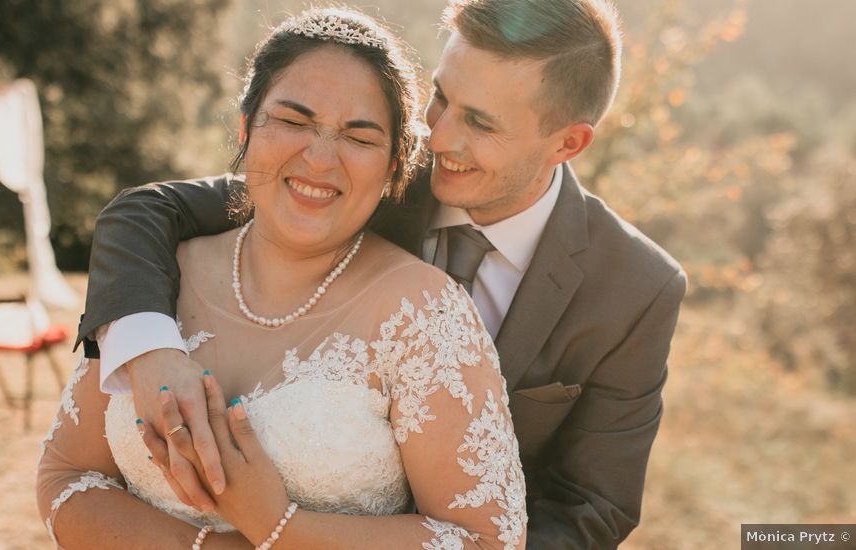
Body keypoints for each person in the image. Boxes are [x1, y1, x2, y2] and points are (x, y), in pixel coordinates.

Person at [77, 0, 687, 548]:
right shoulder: (366, 170)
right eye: (441, 96)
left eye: (480, 122)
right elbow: (149, 210)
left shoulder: (636, 288)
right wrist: (150, 347)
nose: (437, 134)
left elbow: (592, 509)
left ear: (567, 143)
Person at [37, 8, 528, 550]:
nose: (319, 158)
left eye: (359, 138)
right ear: (246, 128)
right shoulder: (154, 279)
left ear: (395, 167)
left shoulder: (424, 314)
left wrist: (281, 528)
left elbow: (488, 540)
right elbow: (66, 479)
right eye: (294, 122)